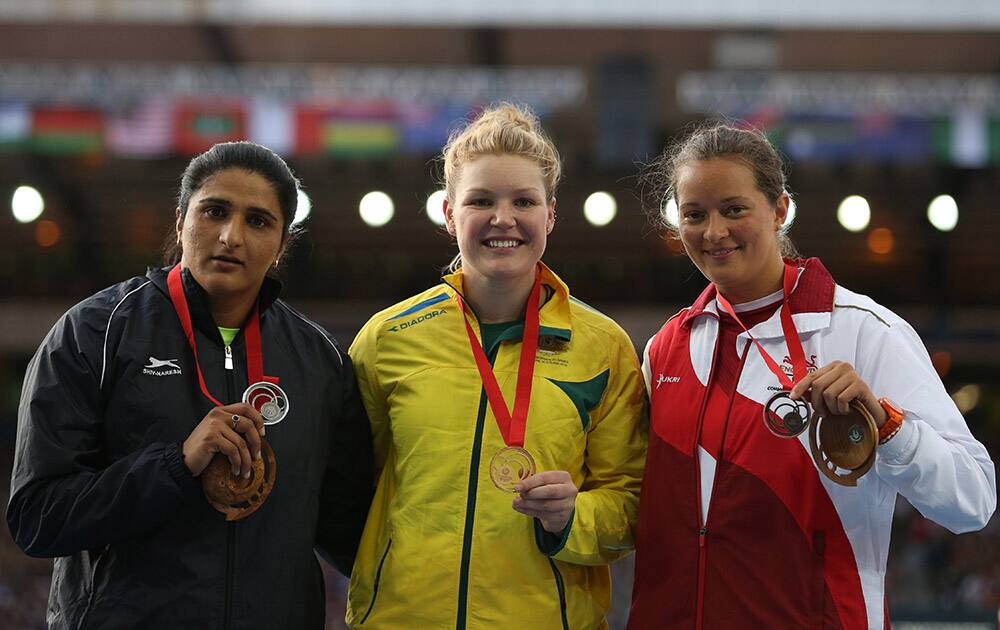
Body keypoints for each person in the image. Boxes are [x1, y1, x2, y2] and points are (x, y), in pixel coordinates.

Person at [628, 124, 996, 629]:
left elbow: (973, 499)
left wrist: (888, 427)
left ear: (779, 210)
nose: (713, 232)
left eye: (734, 209)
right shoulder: (666, 350)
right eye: (694, 214)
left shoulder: (863, 332)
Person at [7, 141, 374, 629]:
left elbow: (351, 532)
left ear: (282, 243)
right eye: (214, 212)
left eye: (258, 221)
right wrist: (174, 465)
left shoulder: (320, 361)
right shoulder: (96, 333)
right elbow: (38, 517)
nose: (230, 236)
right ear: (181, 222)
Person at [345, 103, 647, 629]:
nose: (502, 219)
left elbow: (635, 503)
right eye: (481, 200)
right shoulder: (387, 338)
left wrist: (574, 516)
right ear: (449, 213)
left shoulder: (604, 348)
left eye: (523, 201)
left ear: (550, 214)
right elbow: (345, 485)